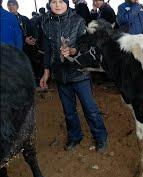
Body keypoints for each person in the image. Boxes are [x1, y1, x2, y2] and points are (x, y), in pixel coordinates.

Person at [40, 0, 108, 153]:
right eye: (53, 2)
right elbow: (47, 50)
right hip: (60, 75)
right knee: (69, 110)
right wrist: (46, 72)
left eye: (60, 1)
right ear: (49, 4)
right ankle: (75, 136)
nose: (57, 5)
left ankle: (101, 136)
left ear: (67, 3)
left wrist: (73, 51)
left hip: (79, 73)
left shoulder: (78, 20)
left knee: (90, 108)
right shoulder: (46, 23)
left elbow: (86, 47)